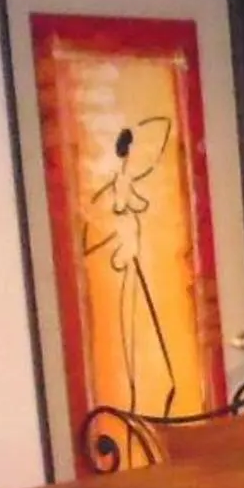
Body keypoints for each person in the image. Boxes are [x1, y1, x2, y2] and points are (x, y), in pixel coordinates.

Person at [80, 115, 178, 415]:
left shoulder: (127, 187)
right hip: (126, 273)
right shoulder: (113, 191)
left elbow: (141, 205)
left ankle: (155, 412)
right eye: (145, 155)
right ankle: (138, 415)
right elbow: (93, 235)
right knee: (132, 346)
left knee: (152, 353)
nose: (150, 163)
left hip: (134, 267)